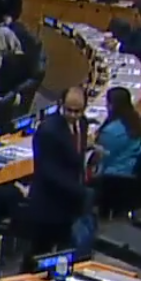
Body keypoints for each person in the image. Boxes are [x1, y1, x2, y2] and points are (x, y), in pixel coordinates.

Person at [19, 86, 93, 253]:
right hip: (49, 204)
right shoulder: (48, 130)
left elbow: (77, 156)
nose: (73, 115)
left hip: (70, 204)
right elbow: (48, 171)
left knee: (64, 254)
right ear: (61, 104)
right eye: (69, 110)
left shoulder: (83, 123)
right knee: (39, 254)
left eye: (78, 111)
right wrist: (81, 191)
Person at [96, 86, 141, 180]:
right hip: (132, 172)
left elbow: (103, 158)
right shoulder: (135, 121)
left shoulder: (109, 132)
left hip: (113, 179)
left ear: (111, 106)